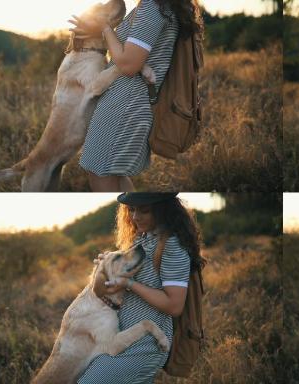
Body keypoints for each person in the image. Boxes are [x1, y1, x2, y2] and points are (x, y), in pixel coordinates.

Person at [69, 0, 204, 192]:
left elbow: (128, 65)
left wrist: (105, 28)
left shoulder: (153, 8)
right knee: (114, 173)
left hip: (124, 106)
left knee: (99, 171)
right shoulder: (165, 8)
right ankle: (127, 211)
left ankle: (123, 213)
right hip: (131, 105)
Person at [77, 192, 202, 383]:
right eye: (132, 210)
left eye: (144, 211)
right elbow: (102, 290)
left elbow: (174, 305)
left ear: (163, 211)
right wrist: (105, 267)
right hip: (120, 339)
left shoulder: (172, 245)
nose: (135, 217)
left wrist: (129, 284)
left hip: (145, 344)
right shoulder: (142, 238)